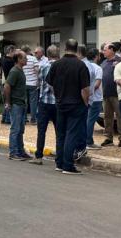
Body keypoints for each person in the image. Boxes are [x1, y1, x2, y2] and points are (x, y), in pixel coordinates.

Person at [46, 39, 91, 174]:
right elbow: (85, 89)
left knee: (60, 134)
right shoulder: (81, 66)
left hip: (60, 103)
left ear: (65, 48)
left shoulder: (56, 64)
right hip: (76, 104)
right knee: (71, 133)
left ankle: (59, 163)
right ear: (77, 49)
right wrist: (85, 102)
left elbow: (50, 84)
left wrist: (58, 96)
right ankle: (68, 165)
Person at [31, 45, 59, 165]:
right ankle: (60, 154)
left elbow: (40, 80)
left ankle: (38, 156)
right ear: (58, 54)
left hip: (44, 102)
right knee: (59, 130)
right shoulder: (61, 66)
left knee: (41, 130)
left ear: (47, 54)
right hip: (57, 102)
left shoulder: (43, 66)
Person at [4, 50, 30, 160]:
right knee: (15, 129)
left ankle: (20, 151)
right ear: (19, 59)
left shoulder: (20, 70)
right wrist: (8, 102)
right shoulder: (14, 71)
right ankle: (13, 152)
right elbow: (7, 86)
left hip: (21, 103)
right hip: (16, 104)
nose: (27, 59)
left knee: (20, 129)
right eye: (24, 58)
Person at [100, 43, 121, 147]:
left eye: (105, 50)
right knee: (107, 117)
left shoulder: (120, 61)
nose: (103, 52)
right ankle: (108, 138)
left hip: (117, 94)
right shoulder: (103, 63)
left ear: (112, 50)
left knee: (120, 116)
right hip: (106, 93)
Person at [83, 48, 103, 152]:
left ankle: (85, 140)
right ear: (96, 56)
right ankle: (89, 142)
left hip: (85, 97)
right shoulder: (98, 68)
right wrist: (90, 92)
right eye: (99, 55)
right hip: (96, 98)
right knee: (90, 120)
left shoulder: (85, 65)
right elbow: (97, 84)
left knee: (86, 119)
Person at [0, 45, 17, 124]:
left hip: (3, 81)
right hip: (9, 82)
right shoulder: (11, 61)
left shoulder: (2, 58)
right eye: (14, 51)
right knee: (9, 101)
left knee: (6, 100)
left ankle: (4, 117)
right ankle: (8, 119)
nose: (15, 53)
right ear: (10, 51)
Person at [22, 45, 40, 124]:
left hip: (24, 83)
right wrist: (38, 80)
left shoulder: (21, 59)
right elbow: (37, 70)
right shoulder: (33, 59)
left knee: (24, 101)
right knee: (33, 102)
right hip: (33, 83)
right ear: (29, 50)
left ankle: (24, 118)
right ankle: (33, 119)